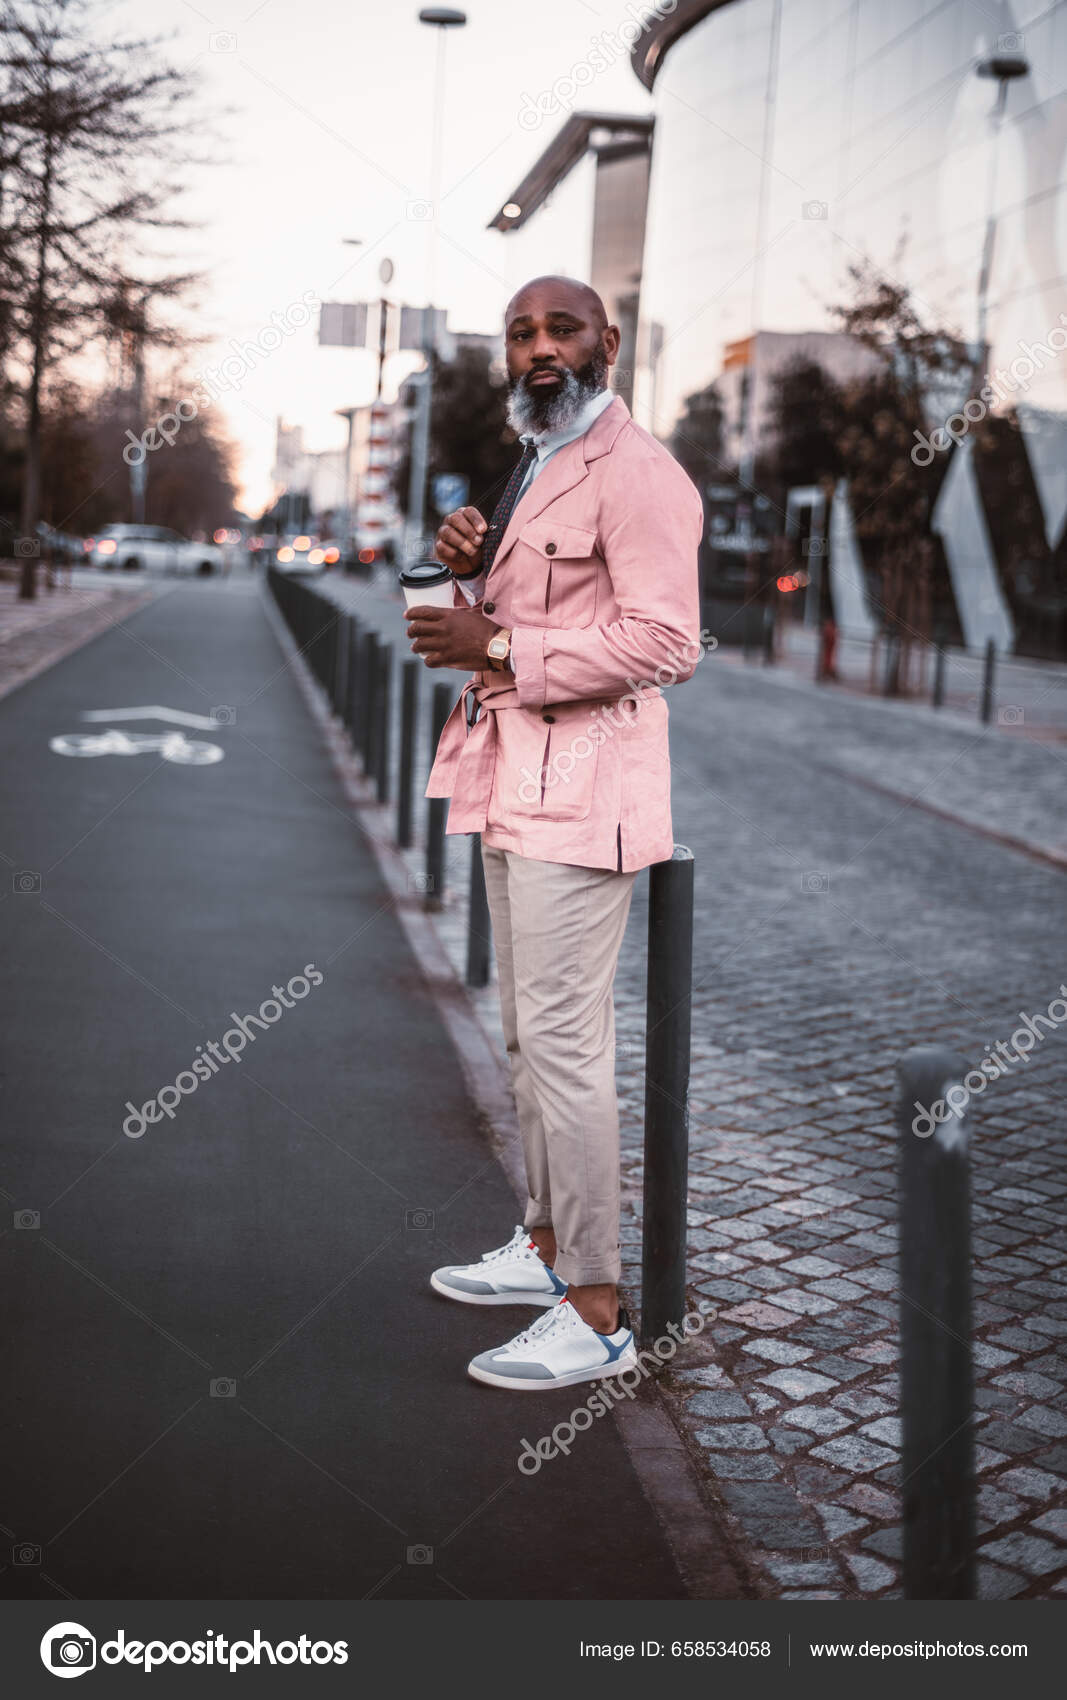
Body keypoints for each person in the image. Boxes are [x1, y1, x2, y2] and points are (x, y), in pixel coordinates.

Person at [404, 275, 703, 1392]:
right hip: (508, 773)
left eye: (559, 328)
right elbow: (537, 603)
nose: (538, 347)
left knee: (568, 1049)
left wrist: (497, 652)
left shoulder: (639, 473)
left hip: (583, 789)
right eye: (521, 332)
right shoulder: (535, 456)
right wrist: (468, 557)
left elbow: (666, 641)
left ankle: (595, 1306)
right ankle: (541, 1248)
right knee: (528, 1035)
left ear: (607, 344)